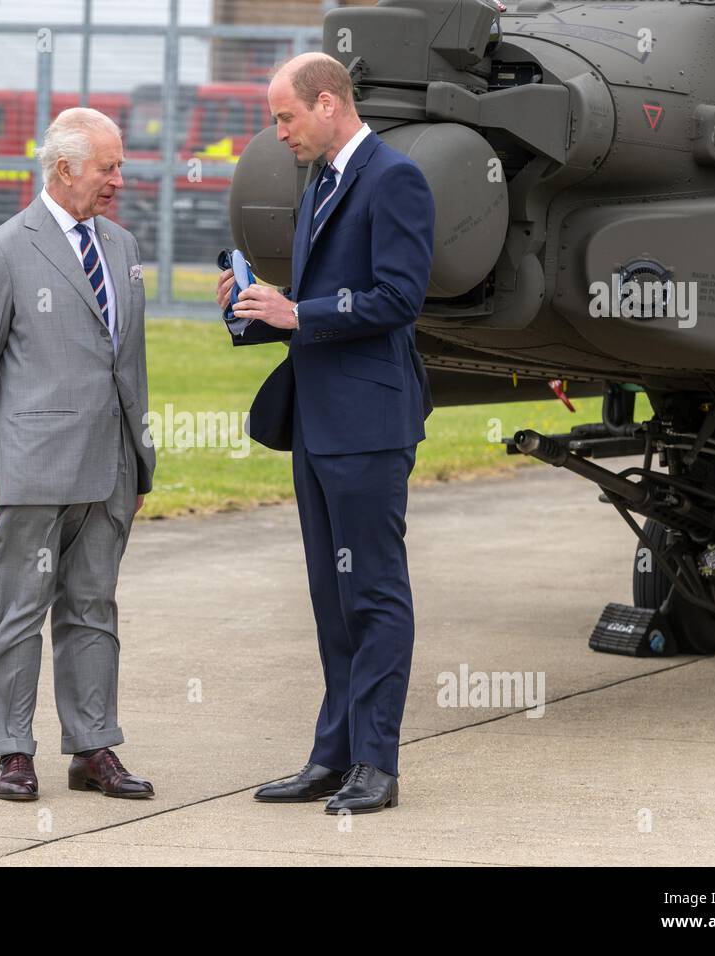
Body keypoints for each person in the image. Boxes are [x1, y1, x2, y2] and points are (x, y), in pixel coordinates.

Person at [216, 52, 435, 814]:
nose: (278, 133)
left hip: (369, 425)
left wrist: (299, 311)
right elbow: (315, 310)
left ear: (330, 102)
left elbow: (399, 299)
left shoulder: (394, 178)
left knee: (373, 592)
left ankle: (377, 763)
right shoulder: (321, 185)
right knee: (331, 594)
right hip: (318, 421)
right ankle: (333, 755)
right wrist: (255, 306)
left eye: (285, 117)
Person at [0, 107, 156, 802]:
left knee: (94, 607)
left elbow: (129, 363)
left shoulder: (123, 249)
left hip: (110, 470)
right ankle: (12, 750)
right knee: (20, 611)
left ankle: (93, 746)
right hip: (32, 471)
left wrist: (139, 456)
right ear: (65, 169)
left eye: (120, 165)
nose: (119, 180)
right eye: (108, 167)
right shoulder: (5, 251)